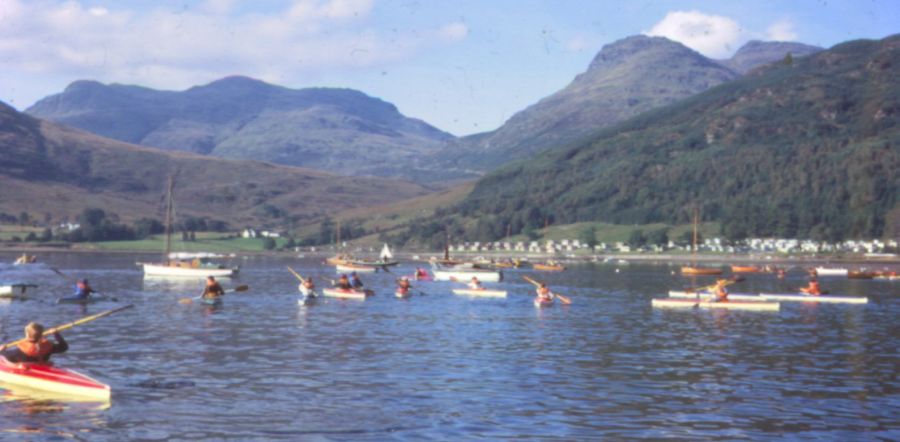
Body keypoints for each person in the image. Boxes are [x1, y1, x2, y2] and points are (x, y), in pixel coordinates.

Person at [0, 322, 68, 364]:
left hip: (27, 369)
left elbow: (6, 355)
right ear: (41, 335)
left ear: (27, 335)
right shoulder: (48, 346)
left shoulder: (20, 351)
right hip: (43, 366)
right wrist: (56, 334)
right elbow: (64, 347)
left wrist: (2, 350)